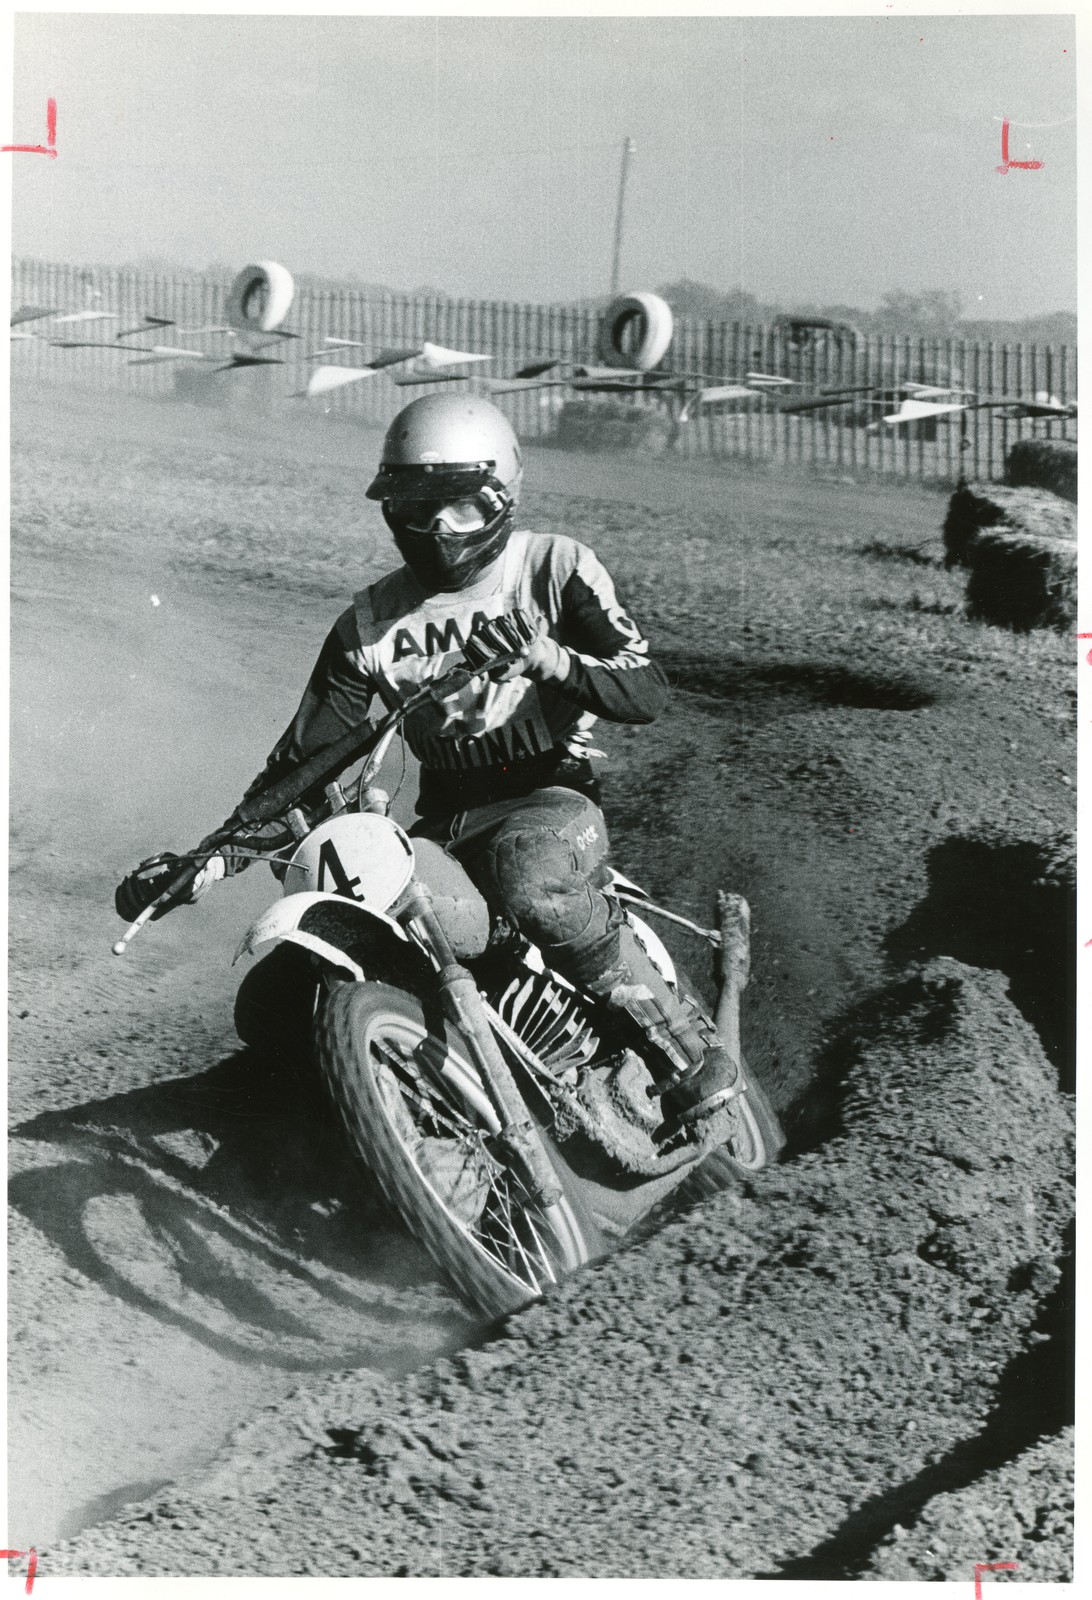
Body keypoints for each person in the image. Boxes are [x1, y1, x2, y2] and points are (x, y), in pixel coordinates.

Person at [116, 394, 738, 1138]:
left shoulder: (555, 567)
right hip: (444, 823)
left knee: (529, 875)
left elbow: (646, 690)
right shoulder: (369, 625)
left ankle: (678, 1044)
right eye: (416, 508)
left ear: (500, 496)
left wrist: (548, 658)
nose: (439, 529)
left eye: (460, 508)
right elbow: (304, 762)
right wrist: (207, 863)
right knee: (285, 987)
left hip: (551, 795)